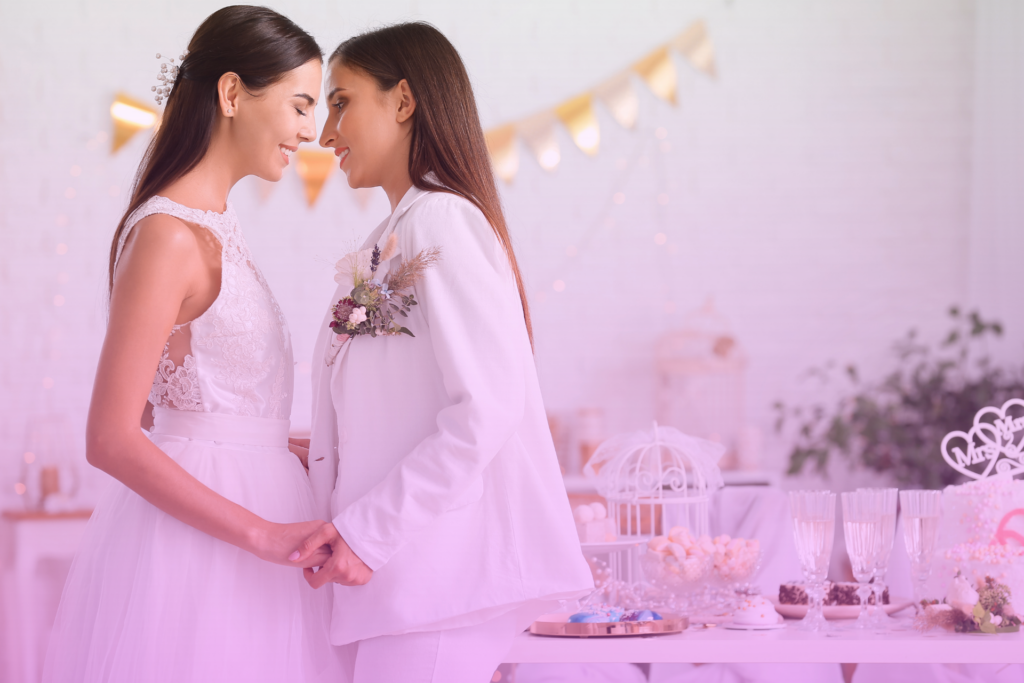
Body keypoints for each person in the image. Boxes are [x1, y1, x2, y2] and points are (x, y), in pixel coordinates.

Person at [43, 7, 341, 682]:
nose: (311, 131)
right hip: (209, 546)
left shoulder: (217, 225)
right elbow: (111, 437)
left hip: (260, 516)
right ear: (232, 93)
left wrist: (285, 447)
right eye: (300, 105)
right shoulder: (168, 235)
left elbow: (191, 405)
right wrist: (262, 532)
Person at [290, 22, 594, 683]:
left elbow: (486, 407)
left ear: (403, 101)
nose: (324, 133)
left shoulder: (440, 221)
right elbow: (405, 403)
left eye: (341, 102)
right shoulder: (392, 236)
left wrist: (368, 532)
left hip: (436, 579)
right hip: (407, 585)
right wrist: (315, 450)